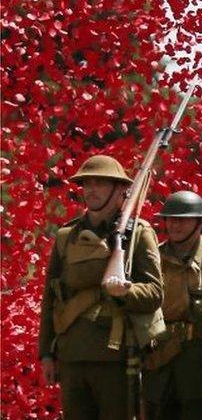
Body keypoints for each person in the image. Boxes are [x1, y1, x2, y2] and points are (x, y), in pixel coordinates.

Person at [38, 154, 164, 420]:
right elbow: (51, 297)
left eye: (101, 183)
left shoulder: (138, 234)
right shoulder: (66, 236)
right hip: (72, 355)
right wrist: (46, 353)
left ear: (120, 190)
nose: (91, 189)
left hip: (115, 358)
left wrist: (126, 292)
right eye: (87, 183)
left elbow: (154, 293)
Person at [142, 190, 202, 419]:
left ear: (199, 222)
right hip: (159, 365)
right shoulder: (152, 257)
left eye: (183, 219)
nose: (175, 225)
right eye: (171, 219)